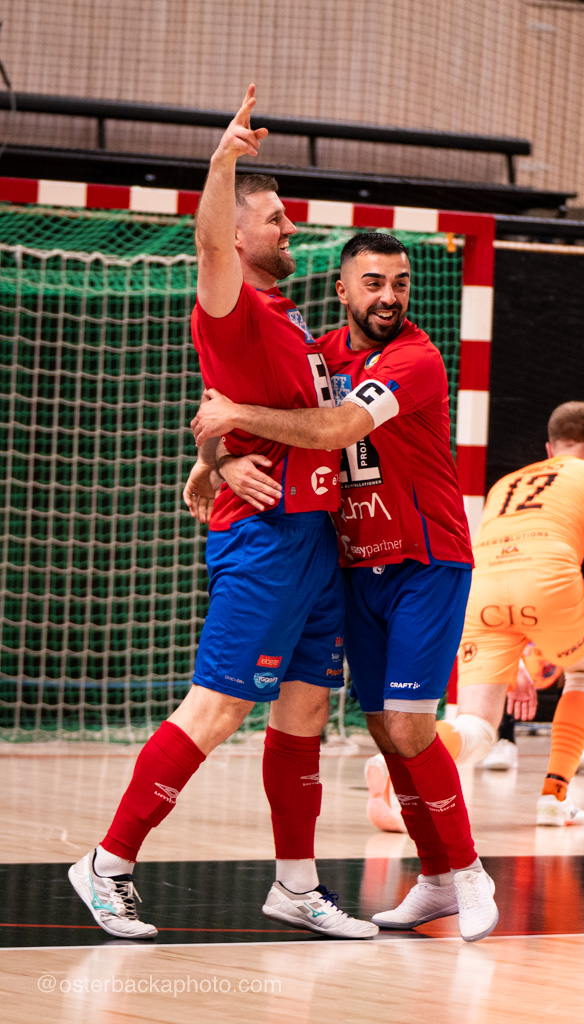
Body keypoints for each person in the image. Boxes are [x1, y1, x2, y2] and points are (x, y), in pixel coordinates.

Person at [68, 85, 377, 941]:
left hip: (314, 537)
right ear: (237, 237)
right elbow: (208, 241)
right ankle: (107, 864)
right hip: (265, 539)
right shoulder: (230, 303)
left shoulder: (287, 315)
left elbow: (243, 412)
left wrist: (212, 455)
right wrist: (221, 161)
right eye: (274, 219)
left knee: (305, 712)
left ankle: (296, 887)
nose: (289, 227)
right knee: (215, 708)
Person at [191, 231, 499, 942]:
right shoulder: (318, 353)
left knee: (413, 725)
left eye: (400, 282)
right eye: (373, 283)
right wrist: (220, 460)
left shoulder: (415, 359)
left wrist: (237, 421)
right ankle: (434, 879)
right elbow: (219, 407)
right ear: (342, 290)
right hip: (356, 562)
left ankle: (468, 871)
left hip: (425, 561)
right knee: (384, 727)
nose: (389, 296)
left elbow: (335, 428)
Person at [432, 401, 584, 825]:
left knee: (476, 728)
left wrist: (512, 663)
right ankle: (554, 797)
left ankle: (393, 762)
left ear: (549, 448)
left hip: (479, 595)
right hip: (550, 586)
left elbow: (502, 570)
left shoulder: (505, 483)